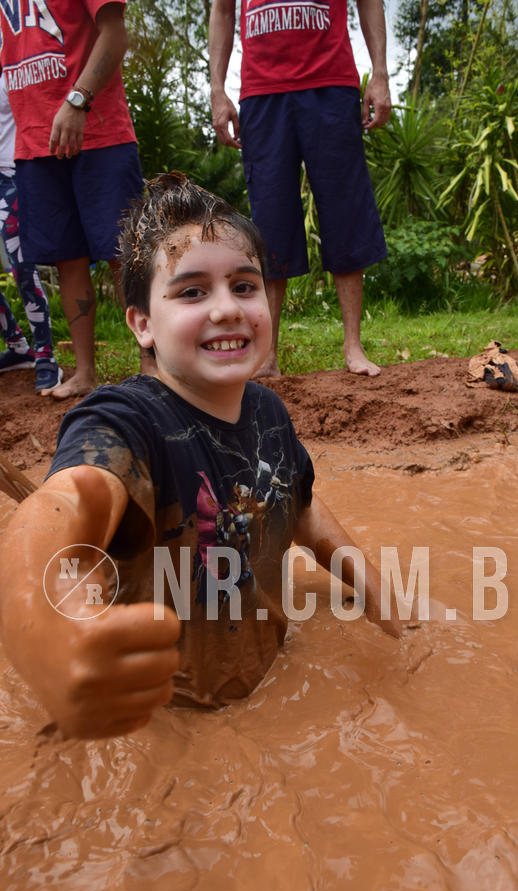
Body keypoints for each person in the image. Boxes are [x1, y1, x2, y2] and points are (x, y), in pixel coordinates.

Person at [0, 173, 403, 740]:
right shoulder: (124, 421)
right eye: (191, 292)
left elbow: (303, 507)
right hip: (162, 718)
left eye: (244, 285)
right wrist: (44, 632)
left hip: (268, 679)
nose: (226, 309)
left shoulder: (268, 412)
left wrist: (369, 584)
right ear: (142, 323)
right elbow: (57, 510)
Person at [209, 0, 391, 377]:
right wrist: (217, 89)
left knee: (344, 209)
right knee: (270, 220)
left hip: (331, 85)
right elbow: (223, 10)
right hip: (262, 92)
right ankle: (268, 354)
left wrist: (381, 74)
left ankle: (353, 346)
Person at [0, 0, 143, 399]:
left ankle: (154, 369)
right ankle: (84, 373)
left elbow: (115, 34)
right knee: (67, 258)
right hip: (33, 142)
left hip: (98, 130)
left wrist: (79, 99)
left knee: (124, 252)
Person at [0, 76, 62, 392]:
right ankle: (17, 347)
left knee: (21, 265)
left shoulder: (8, 55)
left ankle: (45, 356)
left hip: (10, 176)